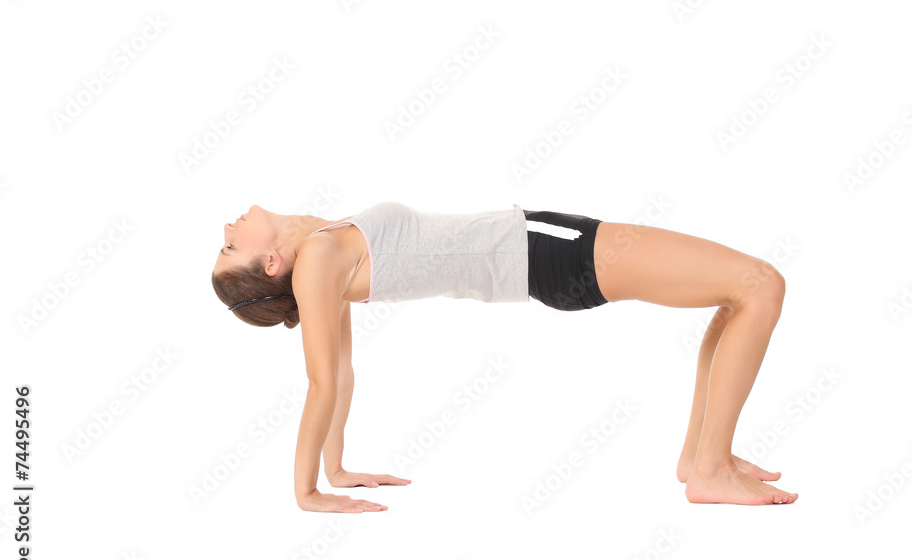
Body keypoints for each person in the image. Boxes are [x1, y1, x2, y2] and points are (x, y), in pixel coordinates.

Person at [211, 201, 797, 510]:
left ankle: (700, 458)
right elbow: (322, 380)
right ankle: (710, 469)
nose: (229, 227)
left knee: (736, 295)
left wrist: (336, 468)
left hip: (541, 242)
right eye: (231, 245)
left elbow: (342, 370)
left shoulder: (320, 250)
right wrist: (307, 490)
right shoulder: (316, 262)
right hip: (547, 254)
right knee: (759, 285)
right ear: (271, 264)